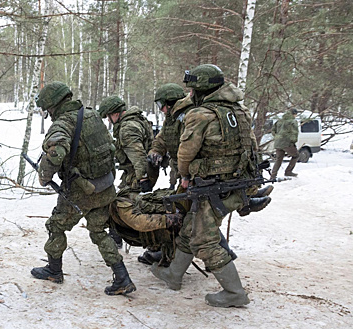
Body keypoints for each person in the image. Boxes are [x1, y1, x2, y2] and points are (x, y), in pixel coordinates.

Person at [151, 64, 259, 308]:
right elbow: (251, 147)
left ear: (200, 91)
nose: (190, 95)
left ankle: (235, 292)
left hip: (212, 185)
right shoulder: (241, 111)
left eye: (192, 90)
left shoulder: (201, 114)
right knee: (191, 228)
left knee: (204, 240)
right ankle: (173, 275)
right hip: (236, 182)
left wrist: (186, 176)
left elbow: (186, 153)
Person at [31, 81, 136, 296]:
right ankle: (122, 278)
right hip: (104, 185)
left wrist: (44, 176)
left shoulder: (62, 124)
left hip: (80, 192)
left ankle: (53, 270)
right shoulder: (91, 115)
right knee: (98, 231)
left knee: (56, 226)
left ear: (53, 105)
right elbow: (109, 146)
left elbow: (55, 154)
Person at [98, 96, 154, 192]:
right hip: (141, 170)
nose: (108, 120)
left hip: (137, 174)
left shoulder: (127, 128)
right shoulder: (137, 119)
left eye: (108, 116)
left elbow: (138, 155)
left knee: (124, 203)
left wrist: (143, 179)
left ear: (115, 114)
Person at [147, 83, 193, 190]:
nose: (160, 109)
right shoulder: (171, 118)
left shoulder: (189, 115)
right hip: (181, 171)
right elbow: (162, 137)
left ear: (169, 102)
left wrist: (186, 176)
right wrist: (155, 152)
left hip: (192, 173)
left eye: (160, 105)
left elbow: (189, 147)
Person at [270, 108, 299, 180]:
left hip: (278, 143)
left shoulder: (279, 120)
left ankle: (273, 176)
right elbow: (294, 133)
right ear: (294, 114)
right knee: (296, 155)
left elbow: (273, 130)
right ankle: (288, 171)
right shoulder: (293, 121)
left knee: (278, 159)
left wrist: (277, 137)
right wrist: (293, 142)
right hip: (287, 143)